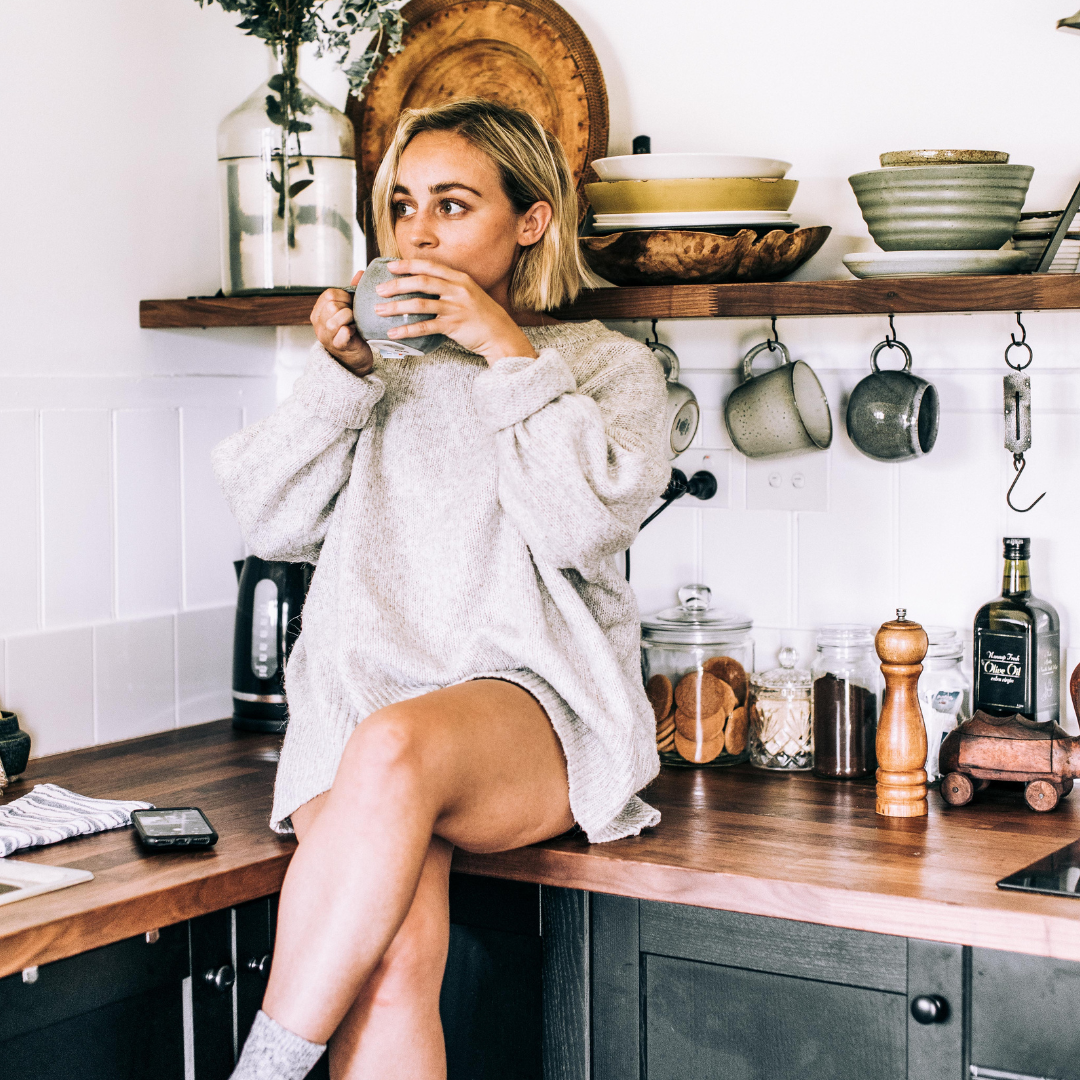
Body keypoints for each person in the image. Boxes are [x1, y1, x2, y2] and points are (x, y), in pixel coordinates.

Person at [213, 97, 669, 1080]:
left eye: (453, 206)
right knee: (386, 969)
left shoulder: (606, 367)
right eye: (403, 207)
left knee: (394, 744)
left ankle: (259, 1069)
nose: (419, 234)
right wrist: (339, 379)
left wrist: (509, 351)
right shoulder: (376, 370)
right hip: (359, 715)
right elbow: (268, 524)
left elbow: (583, 528)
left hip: (533, 711)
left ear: (532, 219)